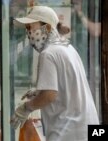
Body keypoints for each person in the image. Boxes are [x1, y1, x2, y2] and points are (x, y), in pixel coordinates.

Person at [10, 6, 99, 141]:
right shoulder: (68, 47)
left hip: (69, 132)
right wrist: (39, 92)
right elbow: (67, 84)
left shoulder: (48, 54)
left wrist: (26, 108)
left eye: (30, 27)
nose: (28, 33)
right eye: (26, 28)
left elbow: (49, 95)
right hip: (89, 126)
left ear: (48, 28)